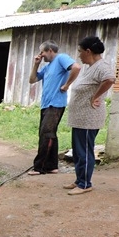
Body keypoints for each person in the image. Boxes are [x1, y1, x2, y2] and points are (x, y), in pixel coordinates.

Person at [63, 36, 115, 195]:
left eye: (80, 51)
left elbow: (110, 79)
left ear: (88, 51)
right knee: (78, 151)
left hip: (88, 118)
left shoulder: (102, 66)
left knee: (84, 151)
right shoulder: (90, 67)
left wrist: (96, 96)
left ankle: (85, 184)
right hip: (80, 117)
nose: (79, 55)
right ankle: (80, 180)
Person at [28, 40, 81, 175]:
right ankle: (52, 166)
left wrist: (67, 85)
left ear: (50, 50)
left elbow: (76, 67)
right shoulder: (47, 67)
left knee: (46, 134)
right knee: (49, 134)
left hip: (55, 104)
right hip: (46, 105)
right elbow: (32, 80)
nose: (41, 55)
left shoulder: (61, 58)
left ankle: (39, 167)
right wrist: (36, 64)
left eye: (42, 52)